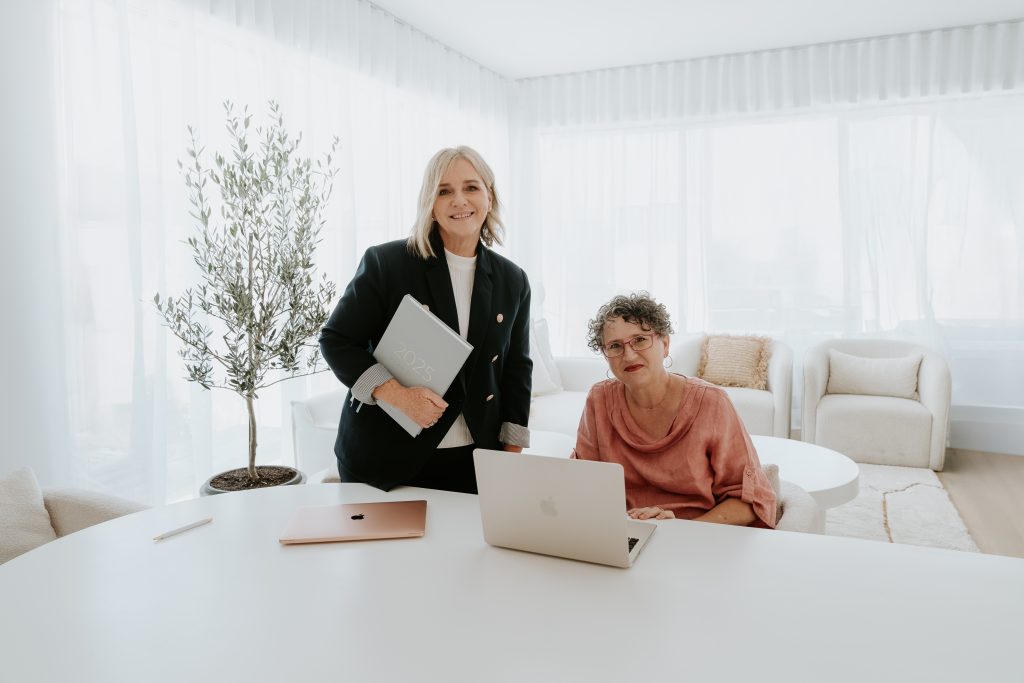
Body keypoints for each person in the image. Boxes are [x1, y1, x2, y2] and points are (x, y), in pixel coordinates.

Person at [319, 146, 532, 493]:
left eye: (471, 188)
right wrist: (397, 396)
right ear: (430, 204)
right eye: (444, 191)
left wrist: (510, 454)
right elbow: (336, 340)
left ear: (489, 198)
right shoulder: (387, 263)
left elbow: (517, 369)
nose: (459, 200)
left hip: (475, 461)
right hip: (386, 456)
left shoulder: (513, 280)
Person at [572, 292, 776, 527]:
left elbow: (749, 502)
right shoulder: (599, 400)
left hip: (695, 535)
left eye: (639, 340)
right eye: (615, 346)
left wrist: (682, 528)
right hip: (624, 533)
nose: (628, 355)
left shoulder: (712, 403)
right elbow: (583, 485)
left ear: (665, 344)